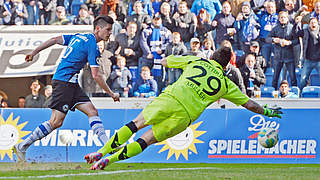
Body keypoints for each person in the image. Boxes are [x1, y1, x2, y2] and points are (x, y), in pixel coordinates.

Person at [84, 46, 282, 170]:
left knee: (136, 124)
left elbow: (165, 61)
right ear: (226, 66)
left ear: (212, 56)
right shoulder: (226, 84)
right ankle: (109, 162)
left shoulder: (197, 60)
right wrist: (267, 111)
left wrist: (164, 59)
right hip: (185, 115)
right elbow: (249, 103)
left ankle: (101, 152)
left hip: (171, 98)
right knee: (148, 139)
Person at [13, 15, 120, 162]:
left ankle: (108, 146)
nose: (109, 33)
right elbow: (96, 76)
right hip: (64, 82)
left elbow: (54, 40)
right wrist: (111, 93)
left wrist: (34, 52)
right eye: (108, 30)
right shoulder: (92, 46)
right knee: (56, 122)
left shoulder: (78, 37)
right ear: (97, 29)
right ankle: (22, 146)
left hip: (71, 82)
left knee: (92, 111)